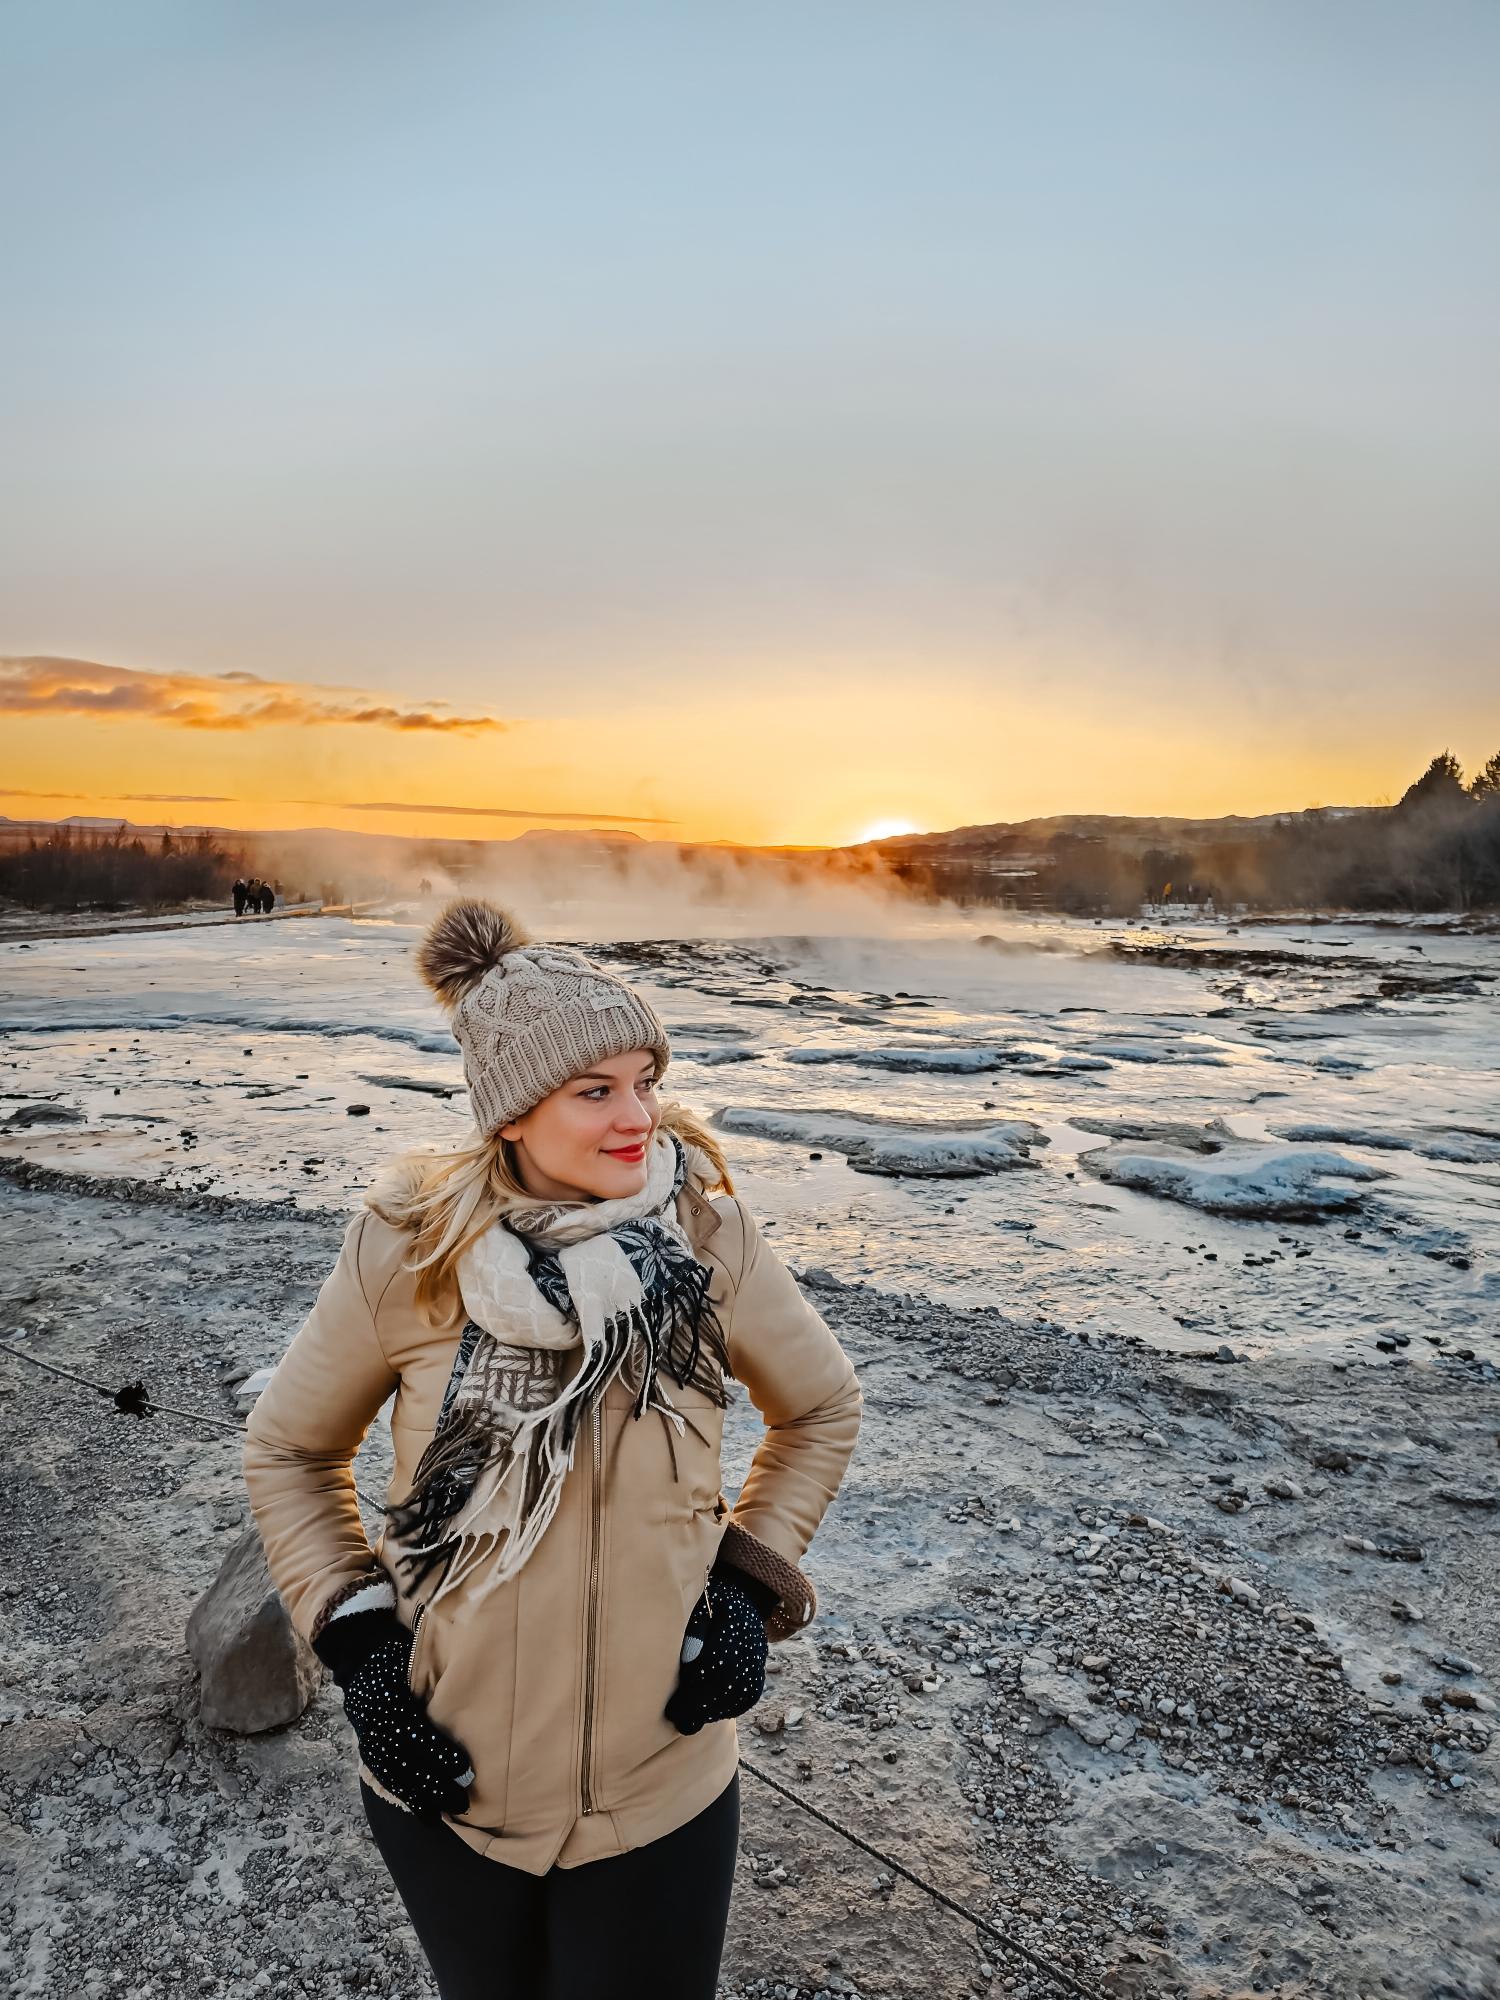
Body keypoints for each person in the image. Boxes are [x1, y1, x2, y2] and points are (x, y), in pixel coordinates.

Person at [241, 898, 863, 2000]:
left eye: (646, 1079)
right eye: (597, 1090)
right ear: (513, 1114)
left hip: (660, 1790)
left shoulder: (706, 1239)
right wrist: (361, 1648)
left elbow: (819, 1409)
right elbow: (292, 1451)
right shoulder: (411, 1250)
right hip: (449, 1783)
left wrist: (746, 1581)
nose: (640, 1117)